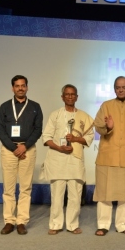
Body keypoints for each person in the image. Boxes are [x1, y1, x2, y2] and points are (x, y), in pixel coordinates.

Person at [93, 76, 125, 236]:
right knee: (104, 193)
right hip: (107, 156)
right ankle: (103, 225)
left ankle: (123, 225)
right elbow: (97, 125)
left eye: (124, 87)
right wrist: (107, 127)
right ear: (114, 89)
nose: (121, 90)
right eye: (118, 87)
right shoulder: (106, 105)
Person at [42, 84, 94, 235]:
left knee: (75, 195)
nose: (70, 97)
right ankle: (55, 224)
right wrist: (59, 147)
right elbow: (46, 137)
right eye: (67, 94)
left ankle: (72, 224)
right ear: (62, 97)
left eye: (73, 94)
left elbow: (89, 138)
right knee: (57, 196)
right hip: (57, 158)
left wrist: (76, 139)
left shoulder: (84, 116)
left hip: (75, 160)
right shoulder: (55, 115)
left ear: (77, 97)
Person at [0, 75, 42, 235]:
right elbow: (0, 130)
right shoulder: (4, 107)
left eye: (23, 85)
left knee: (25, 188)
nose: (20, 88)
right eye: (17, 86)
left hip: (28, 149)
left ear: (27, 87)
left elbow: (38, 130)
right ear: (12, 88)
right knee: (8, 188)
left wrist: (24, 146)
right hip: (9, 150)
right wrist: (13, 147)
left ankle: (22, 221)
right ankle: (9, 221)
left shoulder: (35, 107)